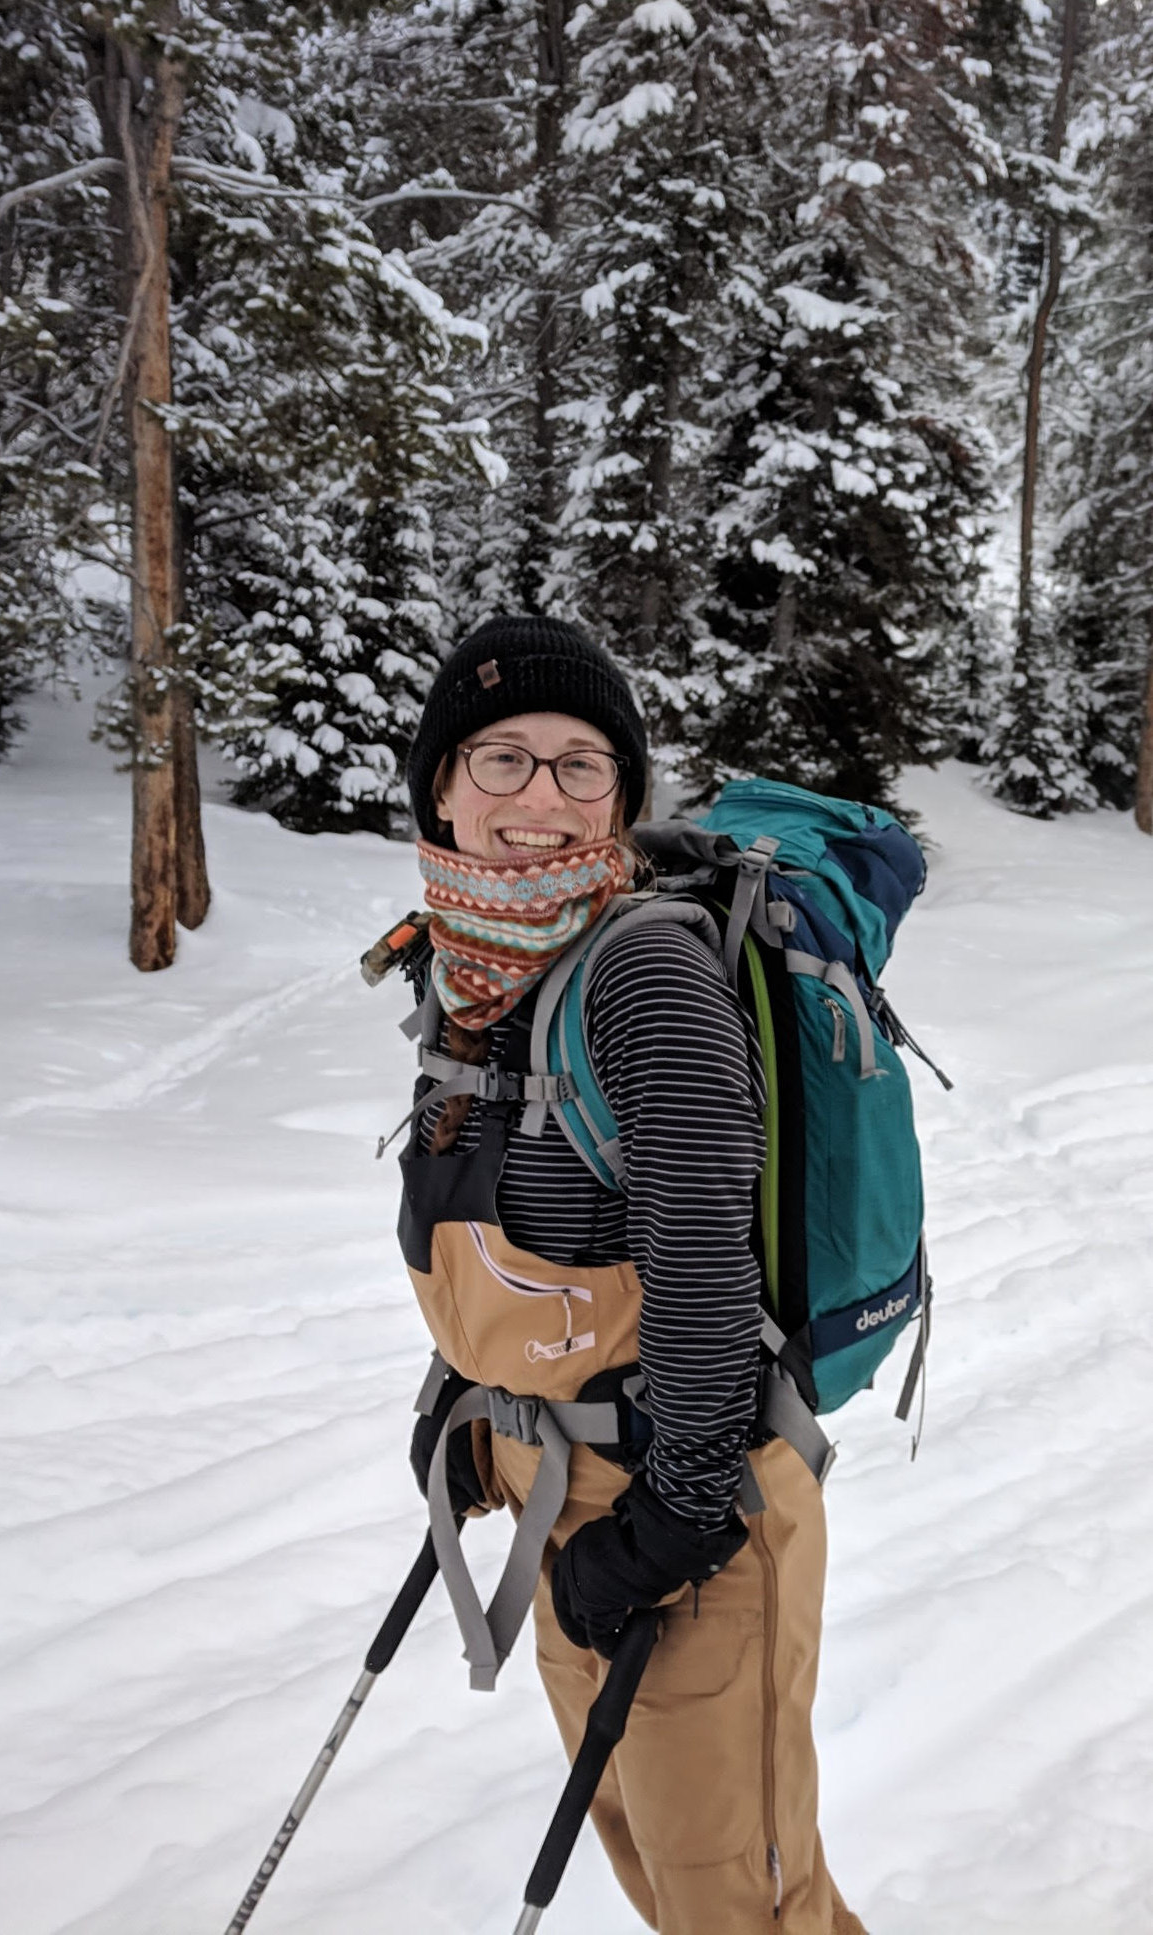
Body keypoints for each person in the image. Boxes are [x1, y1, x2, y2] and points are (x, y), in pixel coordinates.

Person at [393, 614, 865, 1934]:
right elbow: (510, 1222)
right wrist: (467, 1396)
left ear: (621, 794)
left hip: (687, 1506)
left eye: (579, 764)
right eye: (501, 757)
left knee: (745, 1906)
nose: (539, 797)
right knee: (656, 1870)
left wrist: (673, 1522)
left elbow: (702, 1260)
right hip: (568, 1492)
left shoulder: (644, 971)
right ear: (440, 786)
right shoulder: (471, 969)